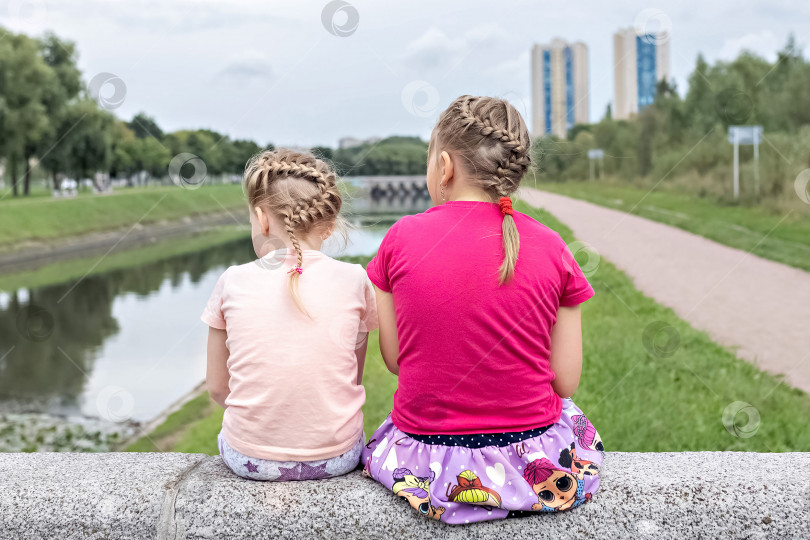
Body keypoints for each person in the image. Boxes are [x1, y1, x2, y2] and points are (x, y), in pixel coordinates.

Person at [361, 96, 603, 523]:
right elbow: (565, 382)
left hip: (426, 461)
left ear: (445, 166)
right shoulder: (551, 245)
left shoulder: (400, 237)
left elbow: (397, 361)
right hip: (535, 460)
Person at [202, 149, 377, 481]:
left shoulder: (232, 281)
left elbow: (216, 388)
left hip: (249, 457)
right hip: (337, 457)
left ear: (262, 218)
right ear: (328, 226)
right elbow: (351, 378)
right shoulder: (355, 279)